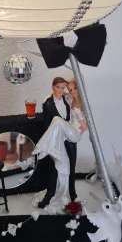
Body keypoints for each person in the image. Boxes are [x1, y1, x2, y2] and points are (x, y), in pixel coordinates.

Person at [33, 77, 86, 210]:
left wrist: (78, 130)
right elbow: (47, 125)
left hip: (71, 138)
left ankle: (73, 195)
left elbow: (83, 124)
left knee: (71, 167)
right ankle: (49, 195)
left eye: (63, 88)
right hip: (57, 140)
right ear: (53, 87)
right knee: (54, 168)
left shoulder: (68, 99)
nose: (61, 90)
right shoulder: (48, 103)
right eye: (58, 87)